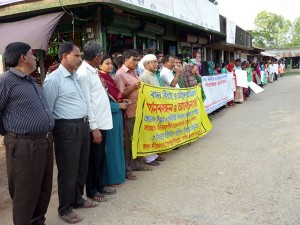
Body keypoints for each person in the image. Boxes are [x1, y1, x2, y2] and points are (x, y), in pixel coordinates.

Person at [0, 42, 54, 225]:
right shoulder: (6, 80)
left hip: (43, 142)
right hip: (23, 144)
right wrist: (10, 133)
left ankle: (38, 221)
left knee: (43, 188)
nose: (35, 57)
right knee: (25, 193)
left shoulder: (30, 80)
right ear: (23, 57)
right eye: (32, 54)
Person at [43, 42, 97, 224]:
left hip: (82, 126)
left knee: (82, 166)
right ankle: (65, 208)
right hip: (66, 128)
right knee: (68, 170)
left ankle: (77, 199)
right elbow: (48, 110)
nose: (80, 59)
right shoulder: (53, 80)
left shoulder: (75, 77)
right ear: (65, 56)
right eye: (77, 56)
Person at [77, 42, 116, 204]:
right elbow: (86, 103)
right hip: (96, 125)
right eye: (101, 55)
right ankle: (92, 190)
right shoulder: (84, 74)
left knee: (99, 158)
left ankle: (99, 185)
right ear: (97, 57)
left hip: (102, 122)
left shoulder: (92, 72)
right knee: (93, 159)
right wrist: (94, 128)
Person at [115, 49, 152, 180]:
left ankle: (138, 163)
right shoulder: (120, 74)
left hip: (139, 110)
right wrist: (132, 88)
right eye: (133, 60)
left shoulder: (134, 72)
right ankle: (128, 168)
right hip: (129, 112)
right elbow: (120, 95)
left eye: (137, 60)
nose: (136, 62)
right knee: (130, 141)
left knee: (138, 139)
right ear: (126, 59)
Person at [98, 55, 127, 185]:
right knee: (111, 148)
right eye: (107, 63)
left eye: (111, 63)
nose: (110, 65)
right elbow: (100, 103)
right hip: (108, 116)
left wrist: (122, 102)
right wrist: (118, 105)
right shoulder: (99, 79)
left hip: (117, 115)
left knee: (118, 145)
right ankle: (111, 178)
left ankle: (119, 175)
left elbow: (116, 96)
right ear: (99, 65)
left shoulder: (109, 78)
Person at [140, 54, 166, 166]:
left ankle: (154, 154)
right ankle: (149, 158)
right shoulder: (144, 76)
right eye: (154, 62)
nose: (157, 64)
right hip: (149, 109)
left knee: (156, 131)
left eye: (157, 62)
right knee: (150, 132)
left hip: (157, 107)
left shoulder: (155, 75)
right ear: (147, 64)